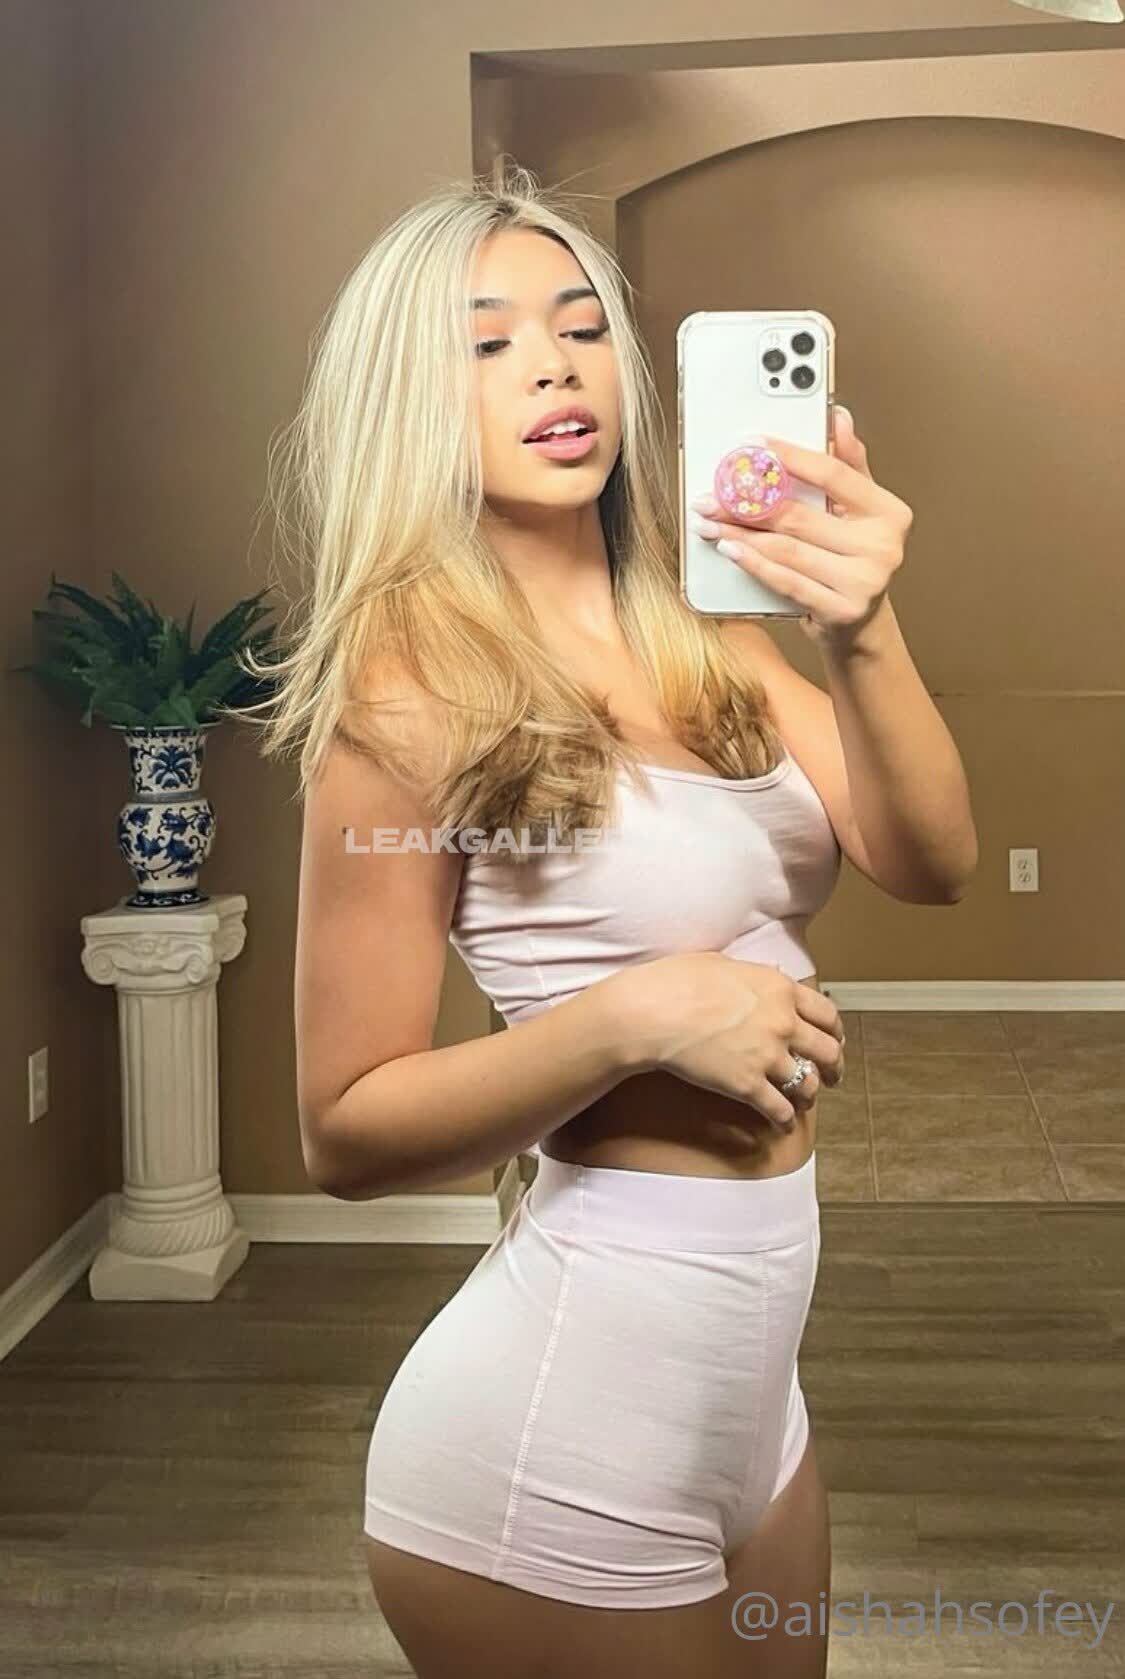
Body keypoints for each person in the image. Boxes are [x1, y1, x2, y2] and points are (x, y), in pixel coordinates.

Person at [237, 161, 971, 1679]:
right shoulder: (403, 697)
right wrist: (636, 1016)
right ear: (406, 398)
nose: (554, 367)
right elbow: (343, 1132)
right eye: (489, 341)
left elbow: (932, 859)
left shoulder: (706, 634)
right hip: (559, 1434)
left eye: (579, 329)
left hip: (753, 1407)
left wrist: (860, 627)